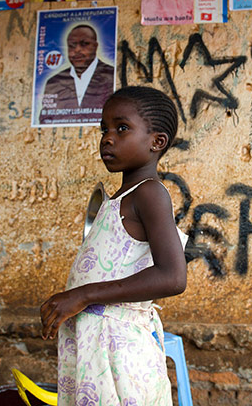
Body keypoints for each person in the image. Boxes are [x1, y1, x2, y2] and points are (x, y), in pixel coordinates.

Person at [40, 86, 188, 405]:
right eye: (104, 129)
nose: (108, 138)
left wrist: (83, 295)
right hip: (99, 349)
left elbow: (173, 277)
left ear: (156, 142)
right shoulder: (118, 199)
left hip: (121, 353)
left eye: (122, 128)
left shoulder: (150, 194)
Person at [38, 24, 114, 125]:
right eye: (72, 46)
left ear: (95, 46)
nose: (77, 50)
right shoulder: (54, 83)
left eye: (84, 44)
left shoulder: (112, 76)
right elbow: (45, 121)